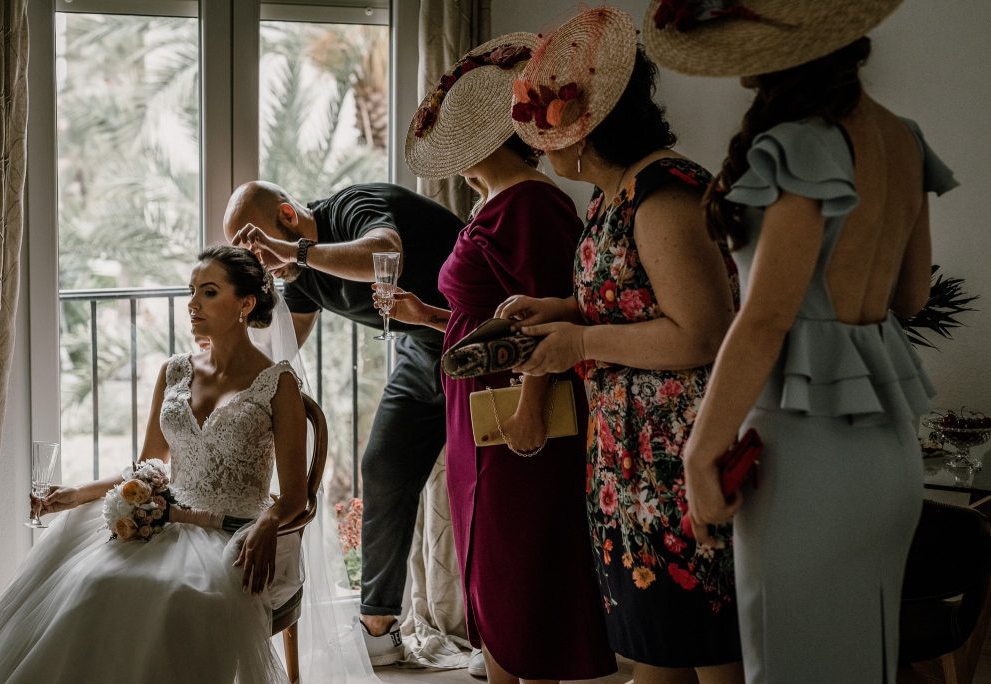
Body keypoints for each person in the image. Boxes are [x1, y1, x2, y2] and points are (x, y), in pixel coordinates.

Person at [642, 1, 958, 681]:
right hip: (885, 458)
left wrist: (701, 454)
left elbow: (764, 319)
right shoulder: (904, 138)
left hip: (803, 453)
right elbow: (911, 297)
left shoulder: (796, 143)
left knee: (788, 660)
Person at [0, 245, 375, 682]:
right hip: (164, 523)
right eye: (192, 290)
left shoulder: (279, 385)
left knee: (181, 597)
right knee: (95, 583)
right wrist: (75, 494)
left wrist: (268, 522)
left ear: (245, 303)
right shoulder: (174, 372)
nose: (193, 303)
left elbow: (296, 494)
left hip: (231, 532)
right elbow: (147, 463)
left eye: (209, 292)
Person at [498, 7, 743, 683]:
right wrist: (565, 308)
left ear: (585, 132)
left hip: (677, 457)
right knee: (657, 649)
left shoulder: (664, 196)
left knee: (712, 653)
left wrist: (579, 338)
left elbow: (701, 332)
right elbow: (636, 298)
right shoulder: (615, 195)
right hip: (630, 464)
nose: (540, 150)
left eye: (544, 135)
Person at [383, 32, 616, 684]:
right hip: (475, 410)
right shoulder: (494, 203)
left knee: (518, 574)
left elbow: (542, 313)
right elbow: (491, 314)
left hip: (512, 415)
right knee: (488, 565)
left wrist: (530, 413)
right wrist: (427, 315)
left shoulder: (531, 204)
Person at [224, 180, 462, 665]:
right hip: (423, 350)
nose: (262, 263)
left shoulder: (352, 208)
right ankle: (379, 628)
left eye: (260, 246)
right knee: (382, 465)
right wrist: (230, 389)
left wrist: (294, 252)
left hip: (476, 332)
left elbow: (384, 250)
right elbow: (283, 355)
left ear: (288, 217)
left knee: (484, 488)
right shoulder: (300, 273)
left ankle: (499, 638)